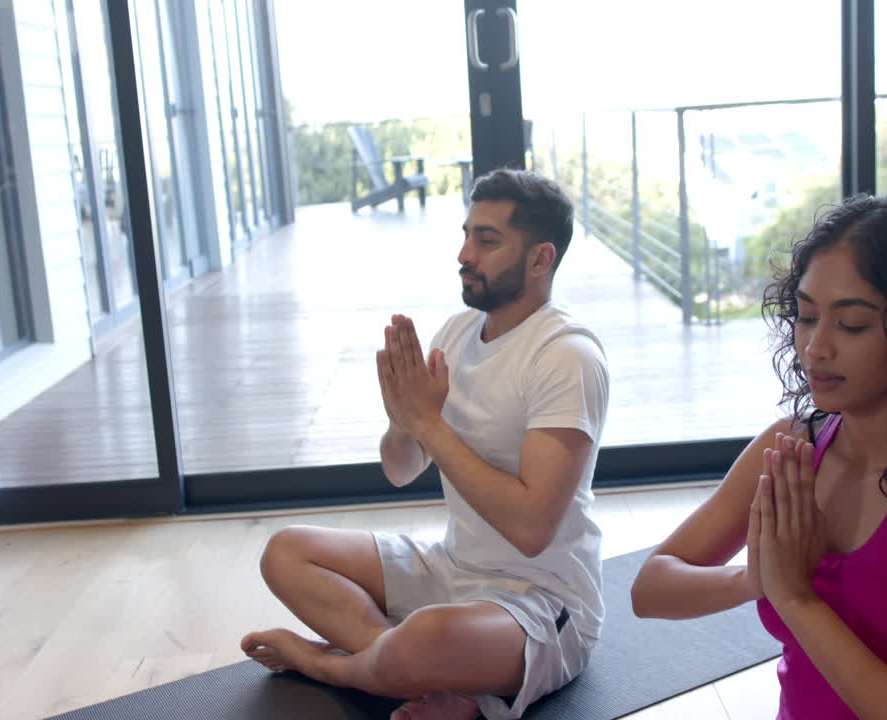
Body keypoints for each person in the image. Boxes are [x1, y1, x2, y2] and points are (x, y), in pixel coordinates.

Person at [630, 193, 887, 719]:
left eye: (851, 324)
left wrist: (798, 599)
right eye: (805, 316)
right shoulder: (790, 449)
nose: (815, 347)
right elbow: (650, 588)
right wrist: (754, 579)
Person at [241, 169, 610, 720]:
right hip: (452, 569)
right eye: (466, 234)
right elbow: (400, 469)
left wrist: (429, 423)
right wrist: (403, 423)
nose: (465, 253)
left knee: (427, 635)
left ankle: (332, 665)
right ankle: (417, 672)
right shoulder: (458, 334)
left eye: (486, 240)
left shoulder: (566, 356)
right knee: (286, 552)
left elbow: (532, 531)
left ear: (540, 259)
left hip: (541, 601)